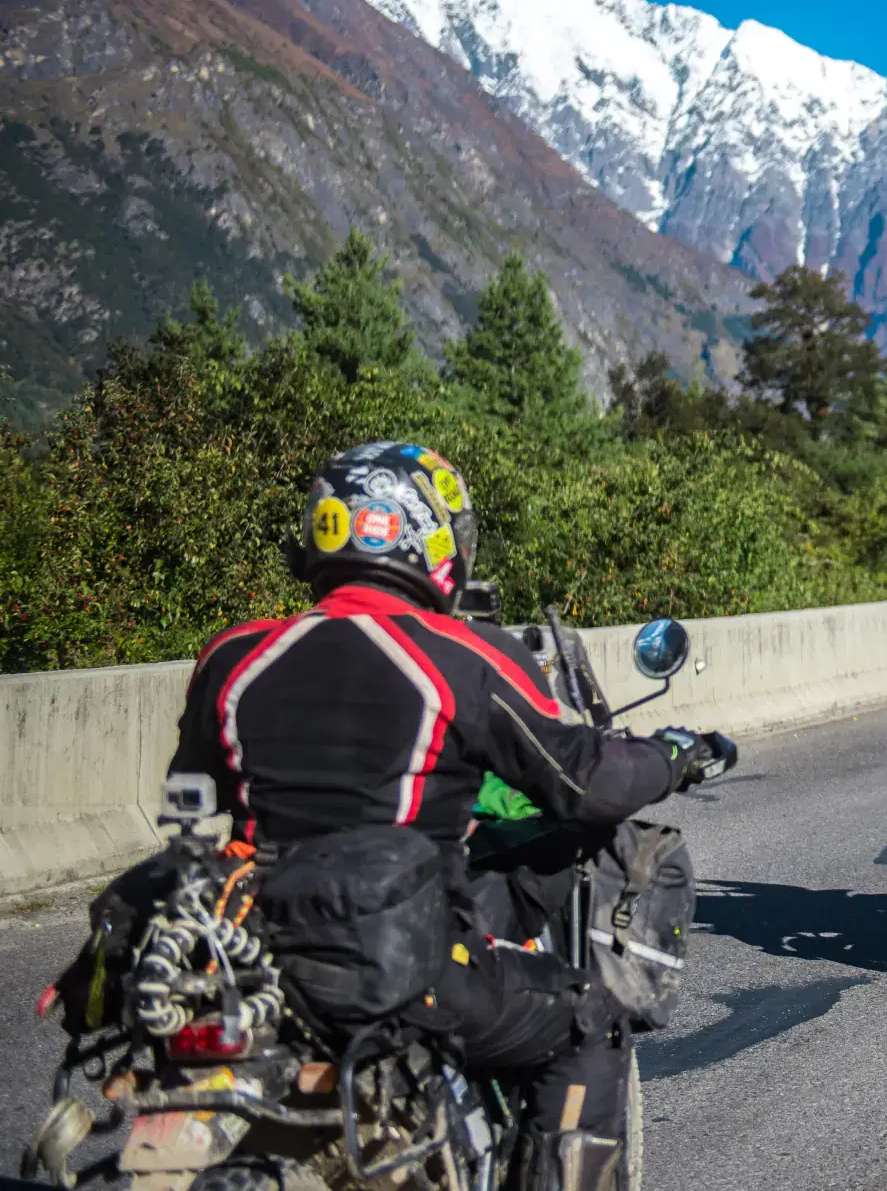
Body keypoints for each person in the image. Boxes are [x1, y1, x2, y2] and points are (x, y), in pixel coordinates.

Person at [168, 442, 735, 1191]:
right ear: (429, 537)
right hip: (404, 960)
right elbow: (584, 781)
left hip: (251, 957)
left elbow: (190, 798)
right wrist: (672, 755)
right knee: (589, 1018)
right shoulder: (458, 653)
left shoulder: (234, 654)